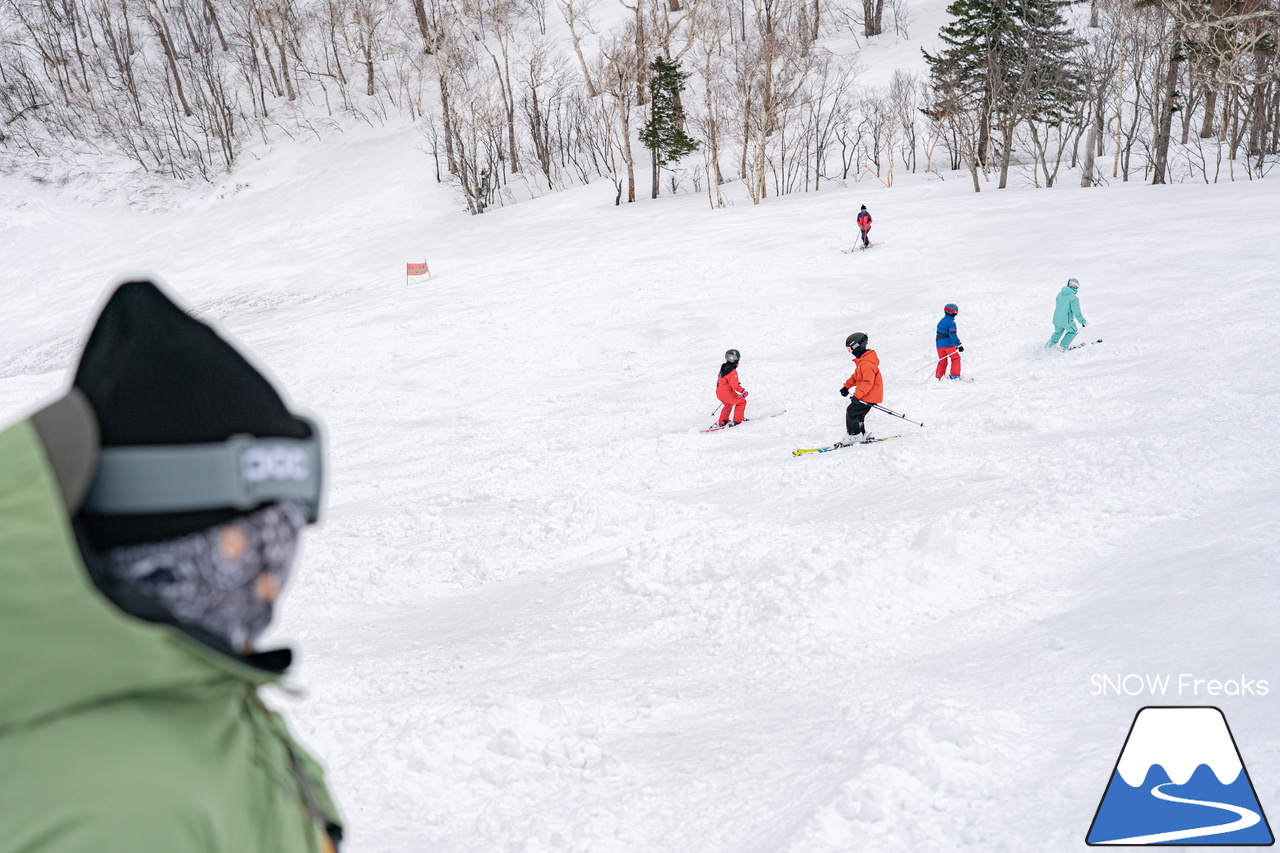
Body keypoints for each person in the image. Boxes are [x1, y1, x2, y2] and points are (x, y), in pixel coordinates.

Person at [0, 281, 343, 852]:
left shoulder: (197, 684)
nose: (270, 581)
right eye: (249, 548)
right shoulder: (116, 815)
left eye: (286, 541)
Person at [838, 332, 883, 445]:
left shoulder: (866, 364)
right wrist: (846, 386)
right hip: (869, 395)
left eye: (850, 349)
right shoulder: (863, 362)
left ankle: (854, 435)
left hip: (868, 395)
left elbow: (868, 382)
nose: (851, 352)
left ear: (857, 346)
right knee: (858, 414)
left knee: (852, 411)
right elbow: (856, 377)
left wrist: (857, 395)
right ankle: (861, 433)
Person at [1046, 278, 1088, 350]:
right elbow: (1077, 312)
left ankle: (1048, 347)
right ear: (1075, 286)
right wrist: (1083, 322)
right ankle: (1063, 347)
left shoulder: (1060, 294)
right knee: (1073, 331)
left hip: (1056, 318)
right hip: (1066, 321)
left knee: (1057, 333)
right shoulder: (1073, 298)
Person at [715, 348, 748, 427]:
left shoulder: (724, 367)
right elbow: (734, 385)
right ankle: (737, 421)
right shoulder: (732, 371)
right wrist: (743, 391)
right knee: (741, 402)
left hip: (720, 393)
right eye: (730, 357)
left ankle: (723, 421)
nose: (732, 359)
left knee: (728, 404)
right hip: (726, 393)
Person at [935, 303, 964, 380]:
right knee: (956, 358)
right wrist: (958, 344)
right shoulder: (951, 323)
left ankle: (939, 377)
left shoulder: (941, 321)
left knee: (942, 361)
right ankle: (955, 375)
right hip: (948, 345)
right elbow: (952, 334)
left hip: (939, 345)